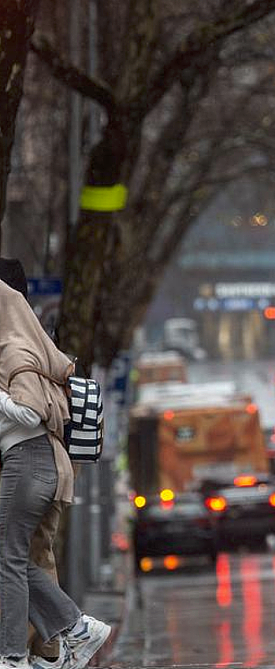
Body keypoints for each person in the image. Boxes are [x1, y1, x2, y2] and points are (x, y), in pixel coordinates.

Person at [0, 280, 111, 669]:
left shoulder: (15, 351)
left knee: (7, 557)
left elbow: (30, 413)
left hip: (28, 460)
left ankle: (13, 656)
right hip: (35, 463)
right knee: (11, 556)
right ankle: (75, 628)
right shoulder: (20, 349)